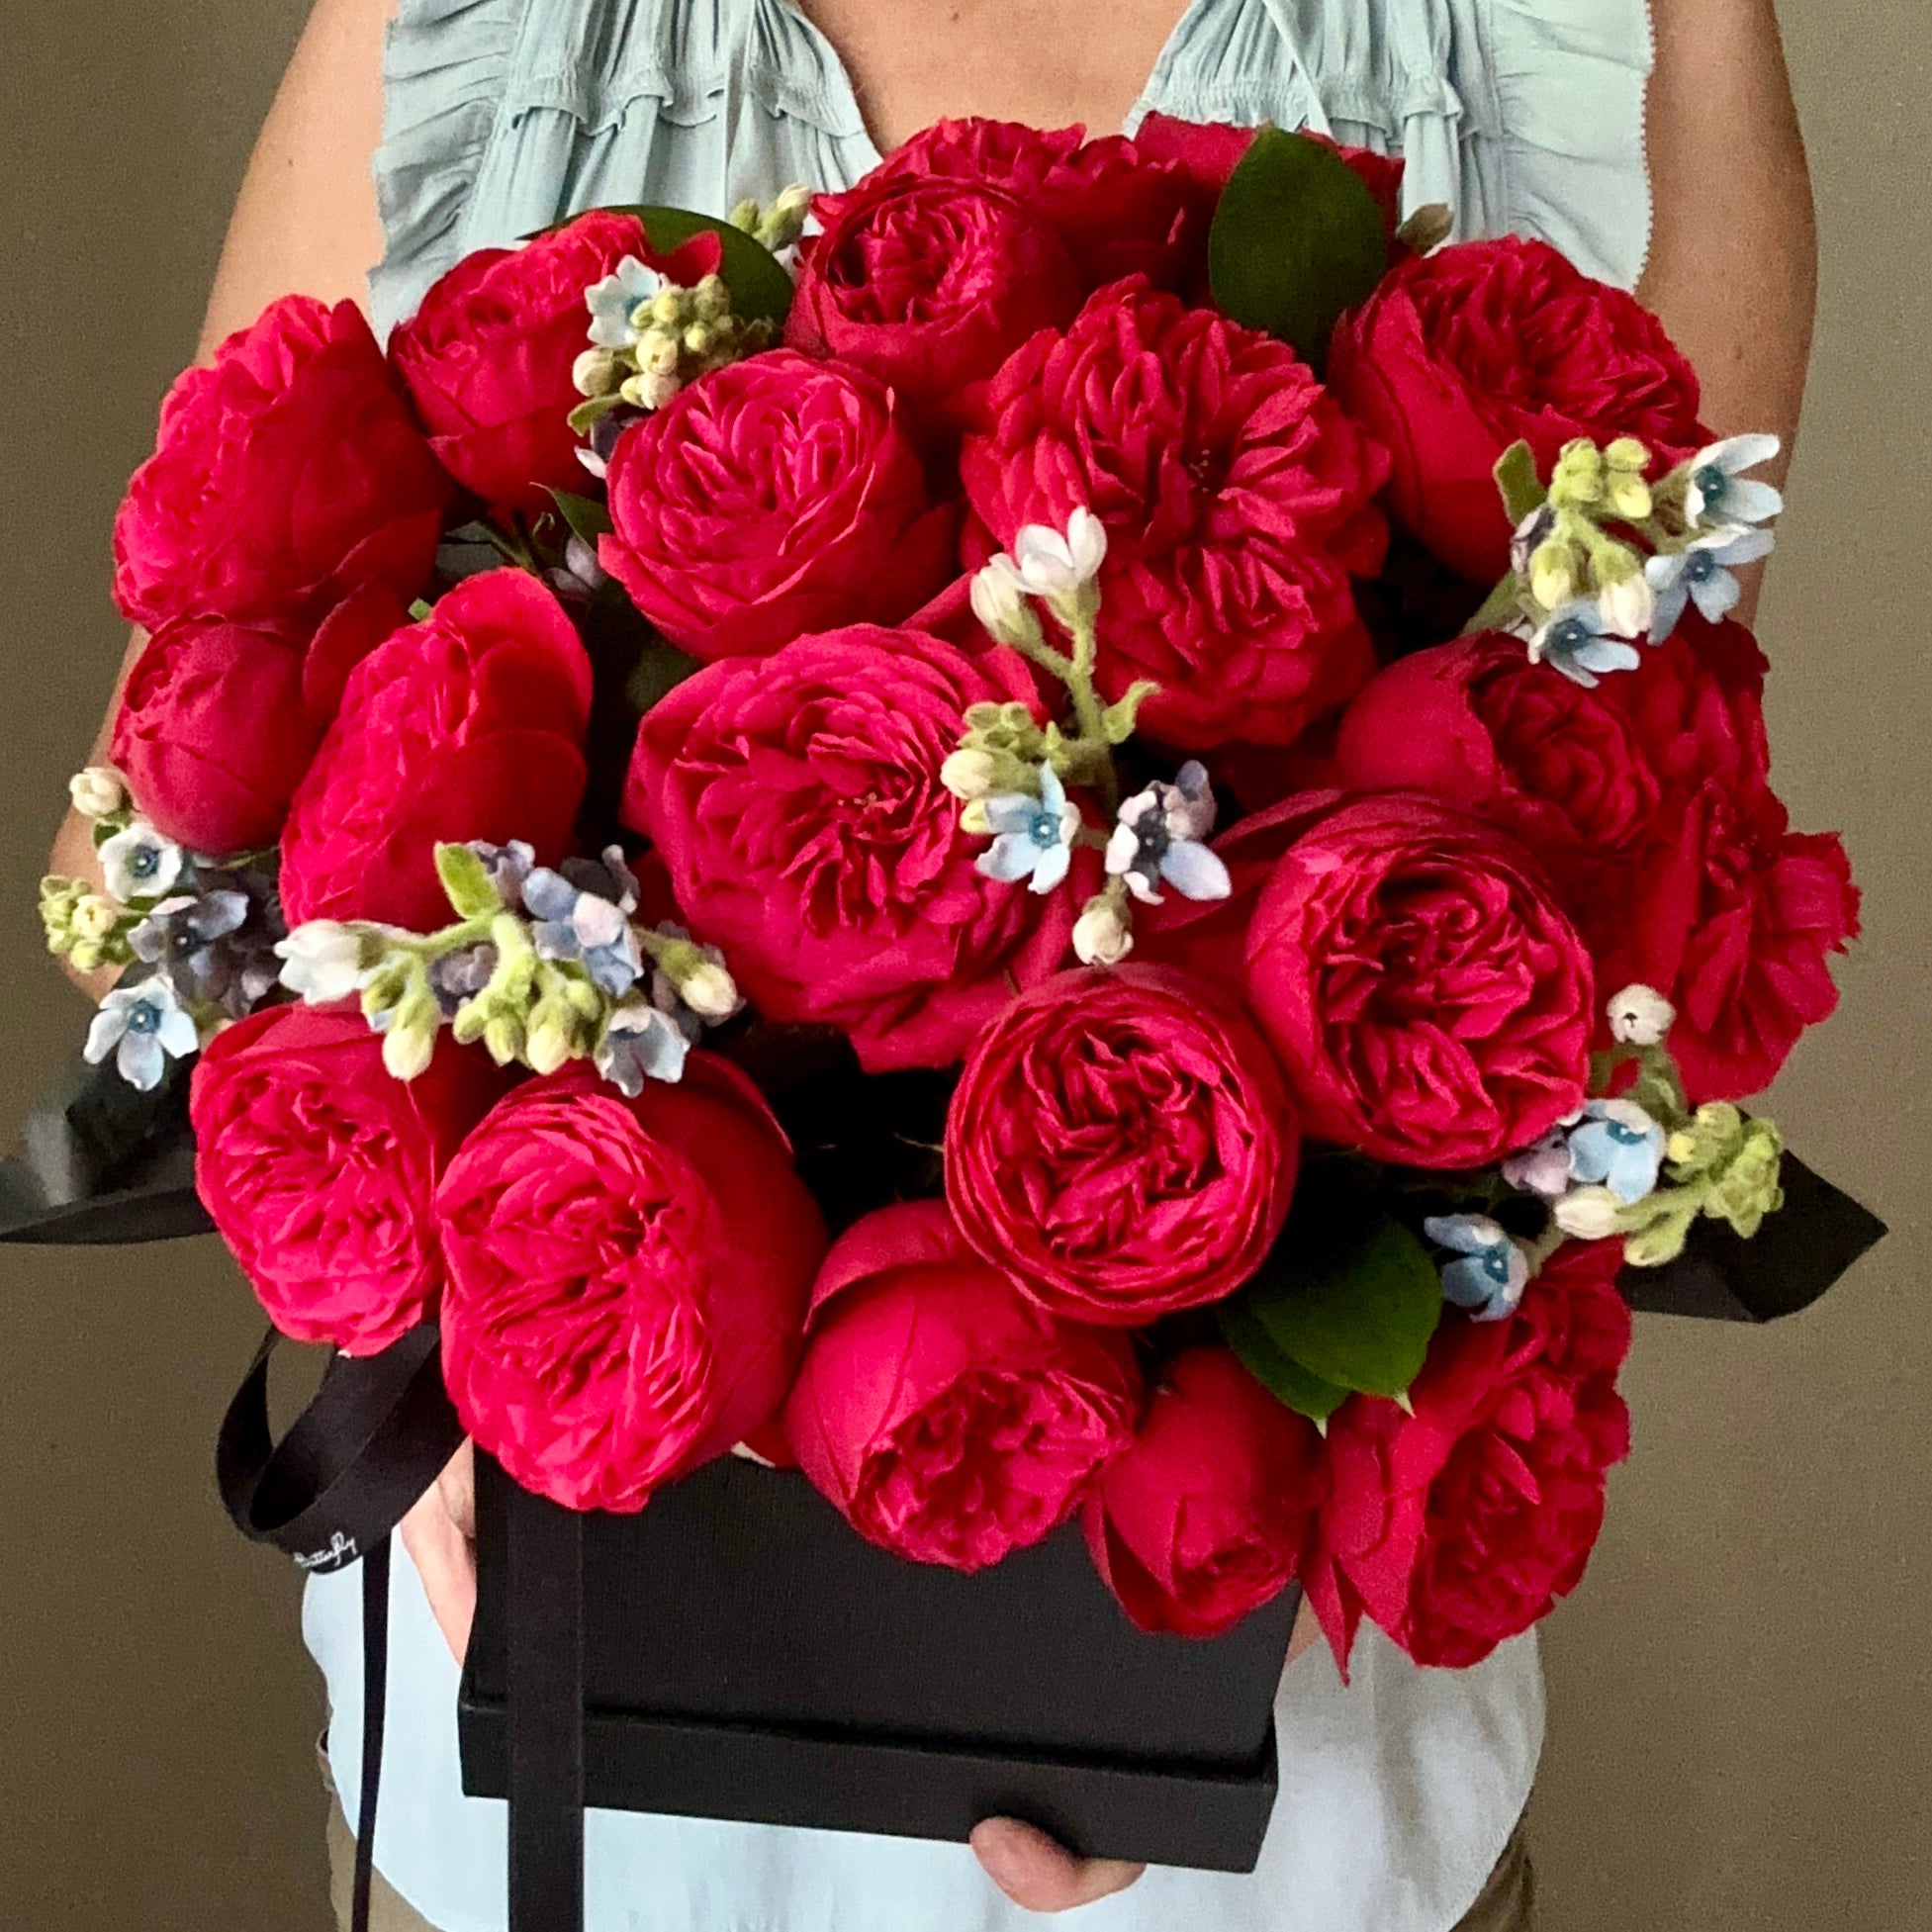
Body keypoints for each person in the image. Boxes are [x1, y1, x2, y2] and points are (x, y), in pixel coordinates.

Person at [51, 2, 1818, 1927]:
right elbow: (152, 849)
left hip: (1286, 1844)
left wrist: (1118, 1613)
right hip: (561, 1813)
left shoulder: (1610, 18)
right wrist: (455, 1319)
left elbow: (1630, 859)